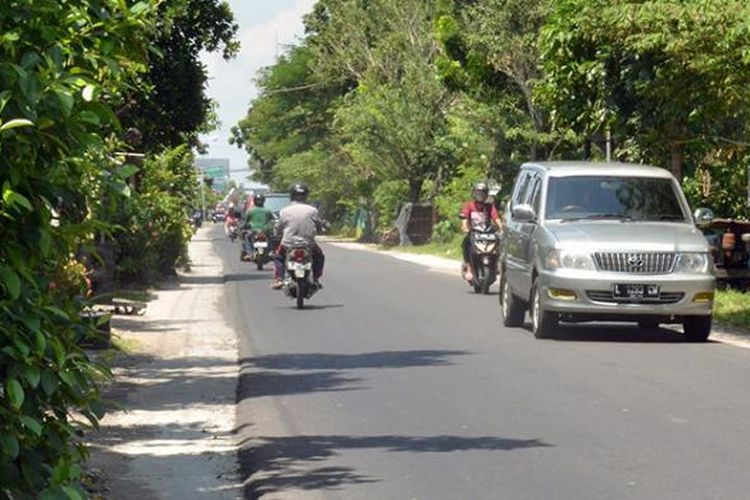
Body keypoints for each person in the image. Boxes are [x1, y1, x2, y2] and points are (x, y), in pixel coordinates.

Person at [272, 183, 325, 289]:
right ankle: (315, 279)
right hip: (308, 244)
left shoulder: (284, 211)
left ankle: (279, 279)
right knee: (319, 256)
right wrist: (320, 231)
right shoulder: (312, 210)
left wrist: (277, 234)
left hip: (288, 244)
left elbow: (278, 228)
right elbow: (319, 228)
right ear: (306, 195)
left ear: (291, 195)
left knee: (278, 257)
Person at [460, 182, 502, 282]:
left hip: (487, 233)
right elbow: (464, 219)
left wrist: (501, 228)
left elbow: (496, 219)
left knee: (498, 244)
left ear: (486, 194)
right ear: (474, 193)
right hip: (474, 232)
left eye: (483, 193)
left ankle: (496, 265)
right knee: (466, 244)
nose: (480, 195)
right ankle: (469, 268)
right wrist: (465, 226)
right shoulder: (469, 205)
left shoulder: (489, 207)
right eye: (478, 193)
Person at [240, 193, 275, 259]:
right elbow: (272, 220)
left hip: (254, 231)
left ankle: (249, 252)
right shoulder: (267, 211)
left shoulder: (250, 210)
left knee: (246, 236)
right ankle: (270, 251)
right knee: (271, 238)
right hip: (265, 231)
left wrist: (242, 227)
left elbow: (245, 221)